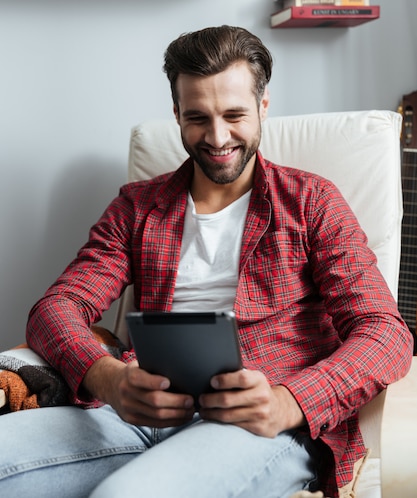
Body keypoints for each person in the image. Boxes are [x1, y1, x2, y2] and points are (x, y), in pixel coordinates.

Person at [0, 25, 413, 498]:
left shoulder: (312, 202)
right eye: (197, 117)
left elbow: (385, 332)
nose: (217, 138)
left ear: (263, 107)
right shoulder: (138, 207)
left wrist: (289, 402)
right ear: (176, 114)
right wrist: (109, 379)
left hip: (262, 424)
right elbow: (56, 308)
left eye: (235, 114)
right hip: (137, 412)